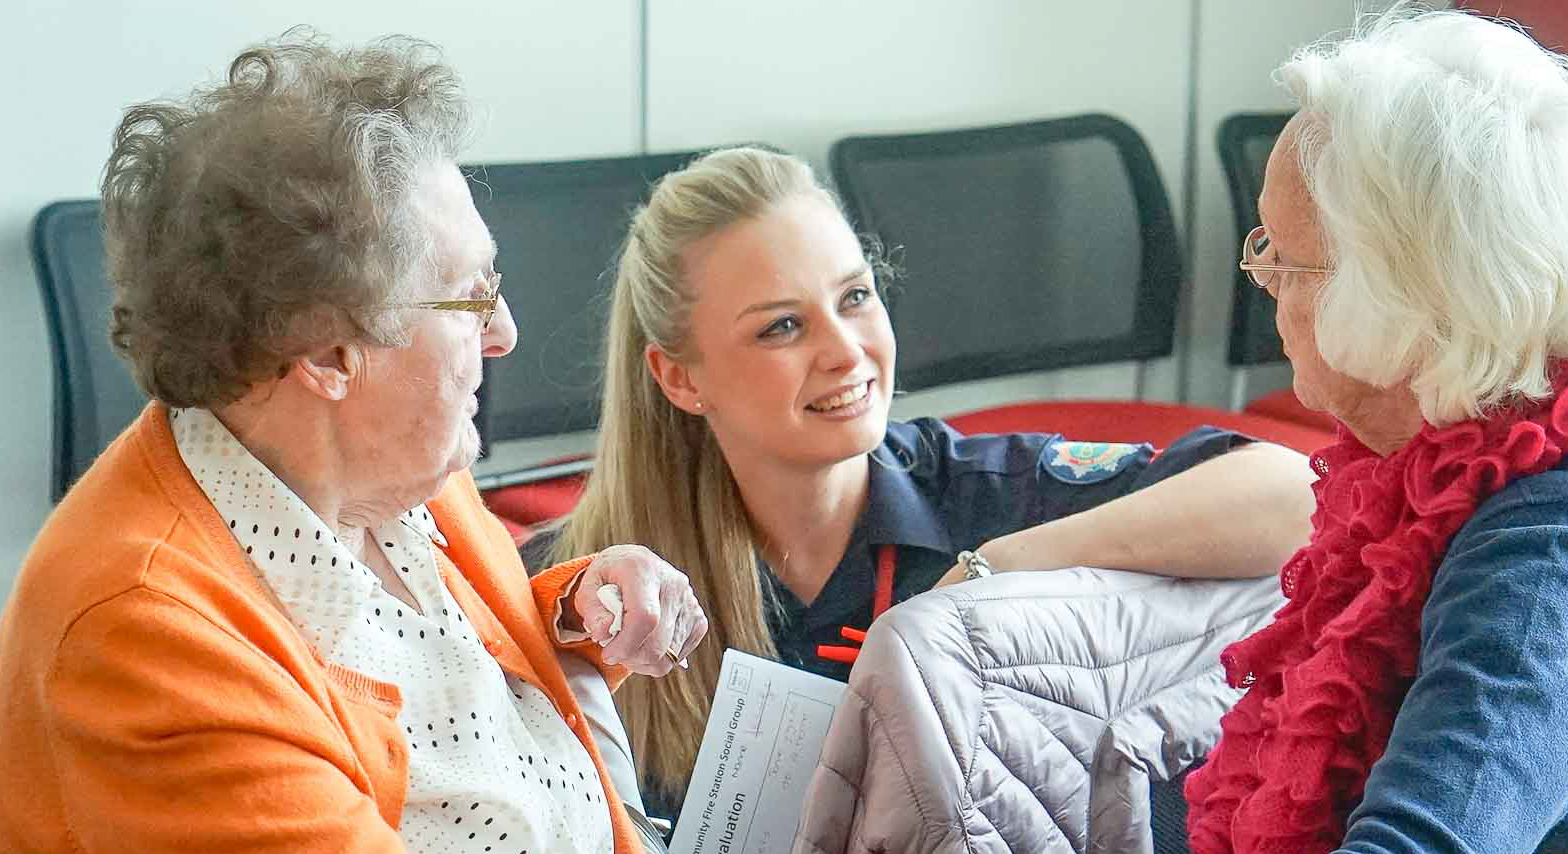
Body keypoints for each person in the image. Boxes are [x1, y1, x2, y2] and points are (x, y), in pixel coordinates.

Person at [803, 6, 1568, 854]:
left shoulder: (1565, 545)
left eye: (1286, 257)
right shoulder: (1484, 451)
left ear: (1409, 292)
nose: (1264, 282)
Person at [0, 34, 767, 854]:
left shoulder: (394, 466)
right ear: (328, 356)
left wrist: (569, 615)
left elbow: (403, 690)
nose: (505, 331)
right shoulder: (144, 629)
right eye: (470, 296)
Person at [538, 147, 1318, 817]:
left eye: (855, 297)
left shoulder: (978, 495)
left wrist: (1001, 567)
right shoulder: (595, 583)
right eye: (783, 326)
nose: (847, 351)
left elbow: (1299, 498)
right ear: (680, 378)